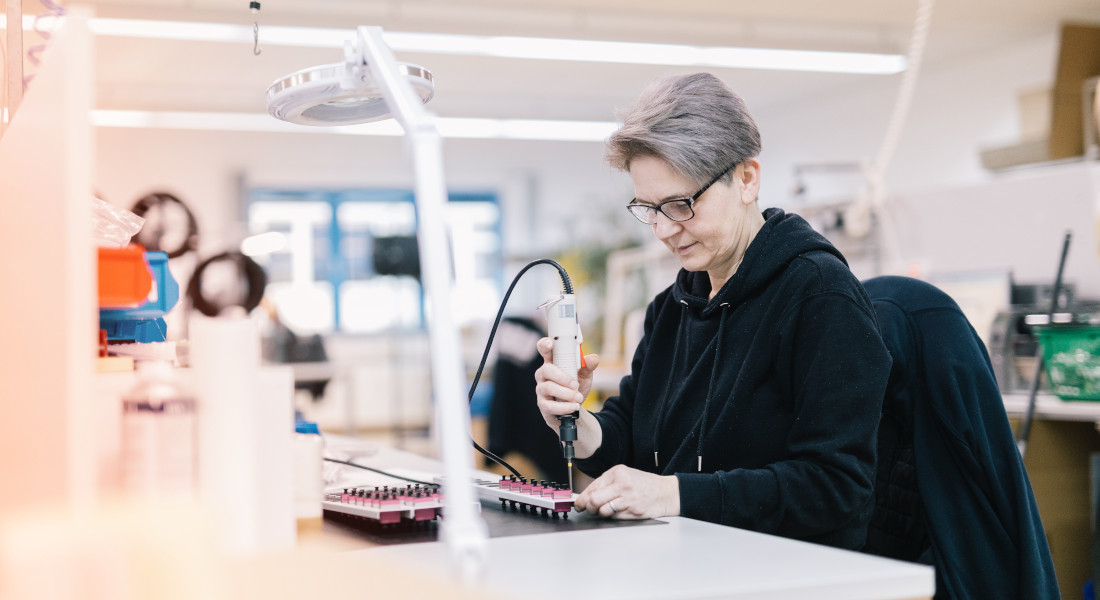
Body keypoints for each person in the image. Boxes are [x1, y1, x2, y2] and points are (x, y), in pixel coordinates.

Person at [533, 72, 892, 550]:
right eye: (649, 208)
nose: (662, 229)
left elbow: (835, 487)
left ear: (746, 179)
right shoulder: (672, 308)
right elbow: (635, 438)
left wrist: (674, 494)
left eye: (681, 205)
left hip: (787, 575)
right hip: (687, 563)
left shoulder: (819, 297)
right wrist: (575, 423)